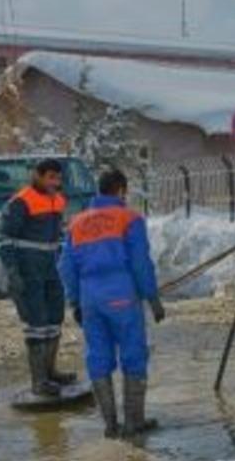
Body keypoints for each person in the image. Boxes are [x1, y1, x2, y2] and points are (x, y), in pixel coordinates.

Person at [58, 169, 165, 439]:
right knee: (133, 354)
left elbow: (66, 267)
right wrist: (152, 297)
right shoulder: (129, 219)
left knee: (98, 356)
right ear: (120, 190)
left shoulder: (77, 223)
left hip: (90, 298)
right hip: (122, 296)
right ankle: (133, 423)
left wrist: (75, 301)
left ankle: (110, 425)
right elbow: (140, 263)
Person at [0, 159, 75, 397]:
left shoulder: (58, 200)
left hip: (51, 268)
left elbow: (60, 235)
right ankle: (38, 381)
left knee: (55, 318)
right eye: (51, 177)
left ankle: (51, 372)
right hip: (28, 268)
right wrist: (12, 271)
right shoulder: (21, 201)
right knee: (37, 323)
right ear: (38, 176)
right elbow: (4, 239)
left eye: (58, 178)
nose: (55, 182)